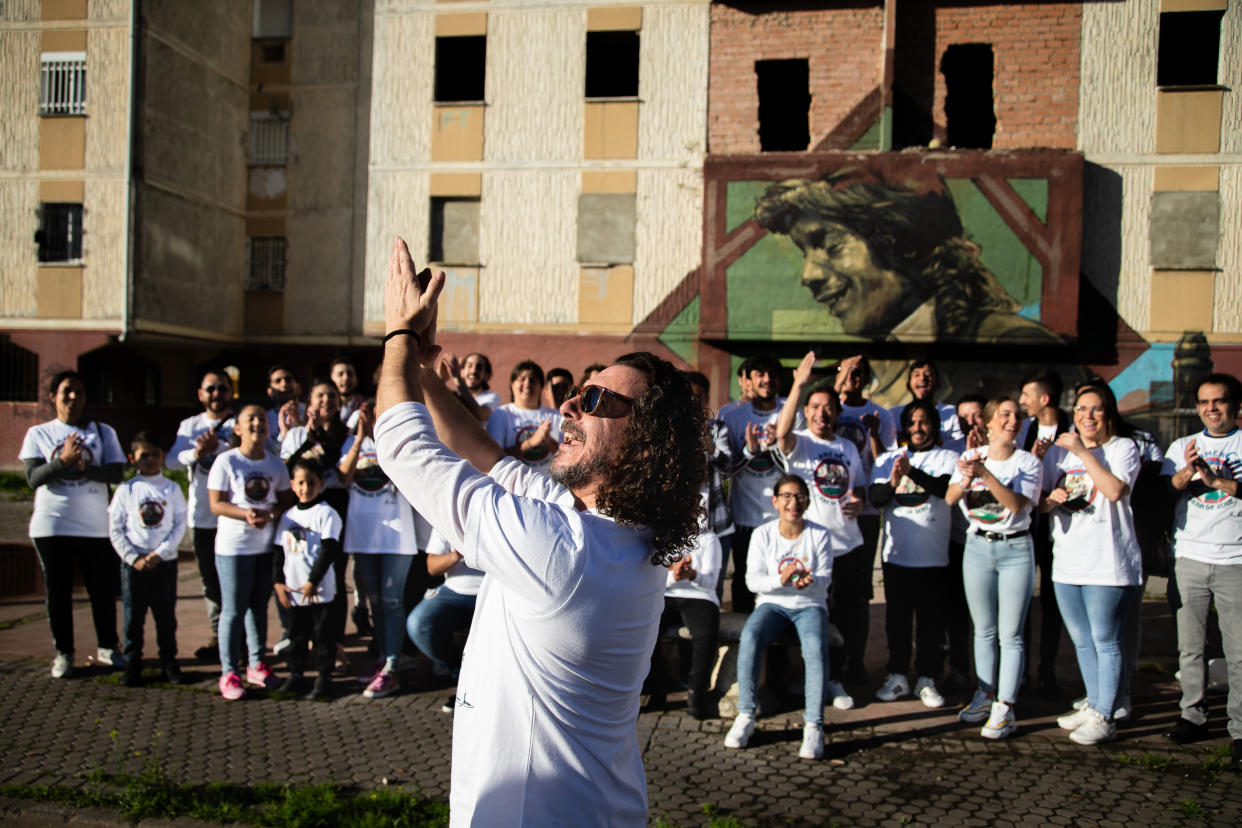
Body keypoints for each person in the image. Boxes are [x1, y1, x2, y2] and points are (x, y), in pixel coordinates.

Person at [373, 237, 705, 826]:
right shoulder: (608, 530)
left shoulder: (568, 554)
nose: (571, 405)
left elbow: (402, 448)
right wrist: (425, 374)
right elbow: (483, 453)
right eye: (578, 390)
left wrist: (398, 336)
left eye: (597, 398)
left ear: (646, 445)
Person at [752, 173, 1062, 343]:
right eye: (805, 252)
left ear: (901, 244)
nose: (809, 276)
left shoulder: (1007, 341)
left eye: (831, 246)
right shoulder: (872, 370)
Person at [1038, 385, 1141, 745]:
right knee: (1082, 641)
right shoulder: (1058, 455)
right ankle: (1095, 703)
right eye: (1081, 409)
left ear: (1108, 413)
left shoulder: (1123, 448)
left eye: (1096, 410)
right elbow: (1043, 504)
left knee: (1106, 640)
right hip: (1068, 560)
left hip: (1108, 563)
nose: (1088, 416)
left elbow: (1114, 490)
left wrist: (1083, 452)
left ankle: (1107, 715)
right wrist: (1050, 500)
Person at [945, 396, 1042, 740]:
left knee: (1010, 634)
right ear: (987, 423)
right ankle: (984, 696)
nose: (1012, 421)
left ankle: (1006, 706)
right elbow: (950, 497)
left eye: (1017, 415)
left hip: (1015, 548)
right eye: (1004, 415)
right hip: (976, 547)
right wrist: (968, 476)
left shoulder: (1027, 462)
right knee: (983, 630)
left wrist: (986, 473)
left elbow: (1016, 505)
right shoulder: (970, 457)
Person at [20, 370, 126, 678]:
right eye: (66, 391)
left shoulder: (102, 432)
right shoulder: (38, 434)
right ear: (53, 396)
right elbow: (33, 479)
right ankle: (64, 653)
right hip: (52, 526)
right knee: (58, 592)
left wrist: (85, 467)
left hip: (95, 526)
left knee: (102, 591)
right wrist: (62, 461)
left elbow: (116, 474)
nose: (73, 397)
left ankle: (108, 647)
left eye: (79, 391)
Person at [1161, 373, 1242, 767]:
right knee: (1190, 648)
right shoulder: (1181, 446)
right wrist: (1187, 473)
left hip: (1236, 560)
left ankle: (1240, 731)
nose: (1212, 409)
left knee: (1239, 652)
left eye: (1220, 401)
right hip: (1189, 557)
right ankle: (1192, 716)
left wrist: (1216, 480)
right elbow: (1164, 490)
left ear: (1235, 405)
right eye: (1205, 402)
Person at [723, 474, 834, 760]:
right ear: (775, 501)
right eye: (786, 496)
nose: (792, 503)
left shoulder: (819, 534)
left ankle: (813, 725)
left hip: (809, 605)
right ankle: (746, 714)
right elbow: (752, 582)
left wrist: (810, 582)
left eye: (798, 496)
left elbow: (825, 578)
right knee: (750, 635)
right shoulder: (763, 534)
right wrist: (781, 580)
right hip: (772, 604)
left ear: (807, 502)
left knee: (814, 648)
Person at [775, 352, 863, 709]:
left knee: (844, 619)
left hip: (848, 545)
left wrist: (860, 502)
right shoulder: (801, 444)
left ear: (838, 414)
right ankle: (809, 677)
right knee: (812, 616)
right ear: (806, 411)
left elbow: (860, 489)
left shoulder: (848, 446)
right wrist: (799, 383)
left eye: (828, 408)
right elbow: (781, 433)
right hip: (812, 548)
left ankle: (834, 680)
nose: (821, 413)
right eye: (814, 406)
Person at [869, 401, 959, 708]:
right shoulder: (887, 459)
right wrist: (895, 480)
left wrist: (912, 472)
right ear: (903, 427)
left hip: (933, 557)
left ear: (934, 426)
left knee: (932, 622)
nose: (917, 428)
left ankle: (927, 678)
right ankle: (897, 676)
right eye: (911, 422)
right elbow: (876, 498)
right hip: (897, 556)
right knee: (897, 621)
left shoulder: (948, 457)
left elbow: (944, 489)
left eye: (923, 422)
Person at [208, 403, 293, 700]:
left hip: (265, 546)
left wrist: (270, 514)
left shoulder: (275, 464)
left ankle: (257, 665)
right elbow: (216, 504)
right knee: (233, 610)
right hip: (233, 548)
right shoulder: (227, 462)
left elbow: (284, 499)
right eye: (250, 418)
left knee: (258, 608)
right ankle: (229, 671)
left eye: (261, 418)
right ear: (238, 428)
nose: (257, 423)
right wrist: (245, 514)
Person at [339, 400, 417, 699]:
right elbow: (344, 477)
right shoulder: (350, 442)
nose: (371, 417)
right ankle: (382, 659)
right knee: (374, 602)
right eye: (366, 413)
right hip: (363, 535)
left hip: (396, 536)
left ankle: (393, 666)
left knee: (392, 601)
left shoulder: (398, 440)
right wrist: (359, 439)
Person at [831, 353, 895, 682]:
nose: (854, 376)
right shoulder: (824, 407)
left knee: (858, 593)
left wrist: (873, 434)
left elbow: (886, 464)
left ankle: (855, 661)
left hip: (865, 513)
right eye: (849, 370)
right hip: (827, 513)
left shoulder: (879, 414)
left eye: (860, 372)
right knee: (826, 589)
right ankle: (829, 664)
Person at [108, 431, 188, 686]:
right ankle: (133, 664)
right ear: (133, 458)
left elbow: (179, 525)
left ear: (163, 456)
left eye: (155, 455)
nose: (150, 460)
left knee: (165, 617)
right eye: (144, 455)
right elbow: (115, 528)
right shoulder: (127, 490)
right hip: (135, 565)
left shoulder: (172, 489)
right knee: (133, 617)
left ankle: (169, 663)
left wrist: (159, 554)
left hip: (164, 563)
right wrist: (134, 557)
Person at [167, 367, 235, 662]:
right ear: (200, 394)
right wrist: (197, 453)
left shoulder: (239, 424)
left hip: (234, 518)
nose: (216, 393)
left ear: (231, 392)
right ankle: (218, 636)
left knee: (235, 581)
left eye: (222, 388)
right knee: (211, 582)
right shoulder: (189, 426)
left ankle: (239, 640)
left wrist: (225, 446)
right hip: (203, 518)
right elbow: (170, 461)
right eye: (211, 388)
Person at [1016, 367, 1071, 698]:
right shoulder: (1022, 431)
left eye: (1026, 395)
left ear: (1044, 399)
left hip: (1061, 531)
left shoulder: (1073, 432)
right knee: (1020, 603)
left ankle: (1047, 671)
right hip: (1026, 527)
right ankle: (1019, 673)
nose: (1022, 402)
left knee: (1052, 605)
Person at [720, 353, 788, 612]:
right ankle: (744, 643)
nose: (767, 379)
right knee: (744, 582)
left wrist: (775, 448)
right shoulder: (732, 415)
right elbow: (726, 470)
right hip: (744, 518)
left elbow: (798, 470)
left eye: (772, 374)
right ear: (748, 380)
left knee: (780, 580)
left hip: (782, 518)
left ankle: (778, 648)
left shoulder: (792, 414)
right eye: (760, 374)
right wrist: (750, 452)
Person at [273, 457, 344, 701]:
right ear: (292, 484)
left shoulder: (327, 514)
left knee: (323, 636)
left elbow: (329, 550)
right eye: (301, 482)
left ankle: (324, 678)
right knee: (296, 635)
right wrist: (278, 583)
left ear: (321, 483)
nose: (305, 488)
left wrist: (314, 580)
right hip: (293, 590)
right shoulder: (288, 516)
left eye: (311, 482)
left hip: (319, 590)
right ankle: (296, 675)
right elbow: (277, 552)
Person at [647, 519, 722, 720]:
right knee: (647, 630)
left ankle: (696, 691)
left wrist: (691, 574)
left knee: (705, 634)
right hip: (666, 593)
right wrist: (674, 577)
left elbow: (710, 583)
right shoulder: (661, 536)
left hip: (699, 595)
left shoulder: (709, 539)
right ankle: (657, 687)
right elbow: (651, 576)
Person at [407, 527, 483, 712]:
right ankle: (461, 678)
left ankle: (488, 687)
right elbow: (432, 567)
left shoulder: (502, 510)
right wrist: (456, 555)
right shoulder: (449, 516)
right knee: (419, 623)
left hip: (496, 592)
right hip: (454, 591)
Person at [943, 394, 988, 688]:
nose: (970, 423)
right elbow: (948, 497)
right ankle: (959, 669)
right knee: (957, 612)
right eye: (963, 418)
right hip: (959, 541)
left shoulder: (1006, 451)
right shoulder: (951, 453)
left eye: (976, 416)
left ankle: (998, 679)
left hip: (993, 543)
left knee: (990, 618)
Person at [684, 371, 735, 602]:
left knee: (713, 586)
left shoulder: (718, 428)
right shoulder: (669, 432)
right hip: (681, 525)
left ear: (706, 398)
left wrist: (711, 448)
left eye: (698, 397)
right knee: (675, 584)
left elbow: (729, 467)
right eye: (687, 396)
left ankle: (710, 632)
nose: (692, 403)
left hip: (716, 522)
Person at [485, 360, 563, 474]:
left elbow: (570, 460)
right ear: (512, 385)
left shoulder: (557, 416)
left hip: (549, 488)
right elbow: (494, 459)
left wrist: (549, 442)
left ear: (541, 387)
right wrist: (531, 442)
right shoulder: (501, 414)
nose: (527, 384)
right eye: (522, 379)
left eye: (533, 380)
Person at [887, 361, 961, 444]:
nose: (922, 378)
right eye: (917, 375)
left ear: (938, 384)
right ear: (908, 385)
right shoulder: (893, 414)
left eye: (928, 374)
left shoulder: (952, 412)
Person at [265, 365, 305, 450]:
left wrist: (300, 426)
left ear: (299, 387)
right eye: (278, 381)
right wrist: (283, 435)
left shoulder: (311, 412)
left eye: (288, 379)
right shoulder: (265, 419)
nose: (284, 384)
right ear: (269, 392)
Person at [461, 353, 500, 420]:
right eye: (470, 366)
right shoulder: (453, 397)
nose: (473, 371)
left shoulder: (492, 397)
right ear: (462, 372)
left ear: (486, 375)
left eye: (479, 367)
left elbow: (479, 415)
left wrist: (457, 380)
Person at [330, 356, 365, 423]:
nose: (346, 378)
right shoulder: (324, 408)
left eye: (350, 374)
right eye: (340, 374)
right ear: (331, 379)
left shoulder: (363, 406)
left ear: (356, 379)